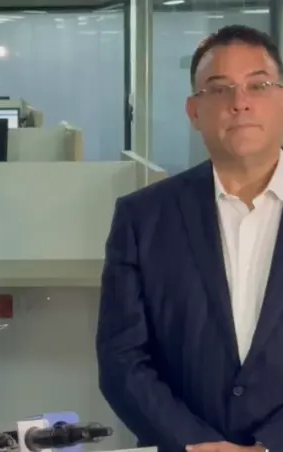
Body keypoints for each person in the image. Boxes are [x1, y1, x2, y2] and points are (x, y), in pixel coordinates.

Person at [97, 25, 283, 452]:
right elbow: (122, 359)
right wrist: (194, 442)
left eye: (258, 85)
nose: (240, 102)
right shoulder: (143, 217)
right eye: (219, 89)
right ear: (194, 112)